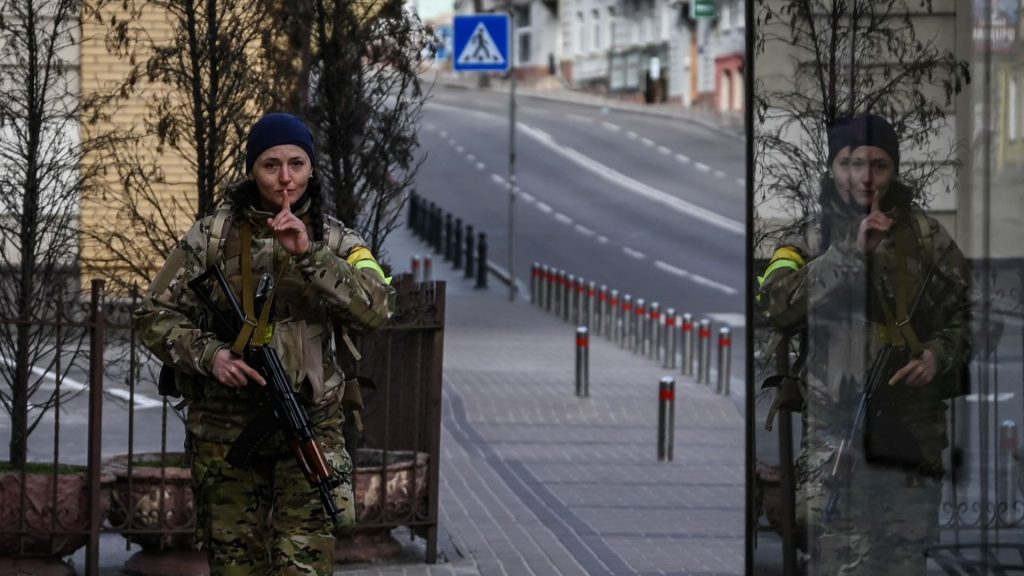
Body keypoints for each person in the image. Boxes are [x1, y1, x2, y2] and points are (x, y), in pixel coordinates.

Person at [134, 112, 395, 575]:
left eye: (296, 163)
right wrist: (210, 356)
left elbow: (376, 309)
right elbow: (152, 312)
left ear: (312, 169)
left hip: (309, 424)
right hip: (227, 429)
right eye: (271, 165)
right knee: (237, 567)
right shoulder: (210, 237)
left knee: (305, 566)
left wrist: (310, 255)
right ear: (252, 171)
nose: (286, 177)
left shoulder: (338, 240)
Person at [758, 114, 971, 575]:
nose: (864, 177)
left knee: (902, 561)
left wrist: (939, 353)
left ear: (893, 170)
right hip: (837, 437)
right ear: (833, 168)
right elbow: (777, 306)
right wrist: (848, 253)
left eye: (878, 164)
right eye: (850, 162)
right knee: (841, 561)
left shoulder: (927, 237)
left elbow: (968, 316)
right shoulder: (807, 238)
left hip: (912, 435)